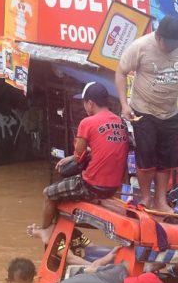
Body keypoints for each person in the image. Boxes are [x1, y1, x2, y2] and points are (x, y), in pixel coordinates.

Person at [115, 15, 178, 213]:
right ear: (158, 37)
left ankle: (161, 200)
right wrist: (124, 104)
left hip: (169, 112)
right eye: (168, 45)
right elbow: (120, 72)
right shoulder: (140, 47)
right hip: (143, 110)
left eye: (175, 45)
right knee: (146, 155)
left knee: (166, 158)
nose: (172, 49)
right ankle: (146, 197)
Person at [37, 82, 129, 235]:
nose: (84, 107)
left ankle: (44, 231)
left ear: (90, 103)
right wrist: (74, 156)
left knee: (48, 193)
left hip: (91, 186)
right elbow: (104, 150)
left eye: (84, 103)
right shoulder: (120, 123)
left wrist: (74, 157)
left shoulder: (87, 123)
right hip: (113, 187)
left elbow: (78, 157)